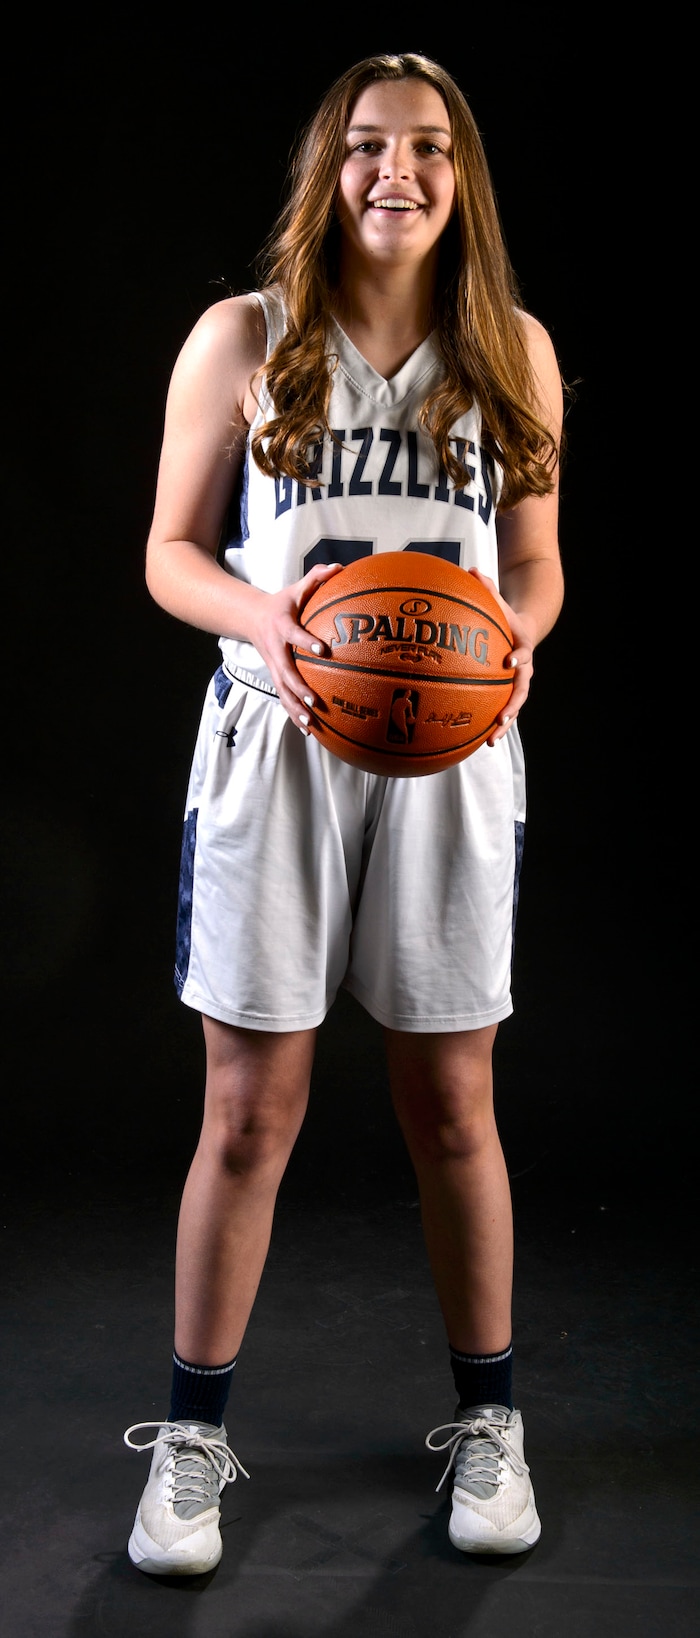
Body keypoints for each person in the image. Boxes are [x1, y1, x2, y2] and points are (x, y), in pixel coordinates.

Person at [123, 51, 564, 1575]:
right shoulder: (243, 338)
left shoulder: (511, 348)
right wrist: (270, 619)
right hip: (275, 746)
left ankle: (492, 1428)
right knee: (249, 1112)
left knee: (453, 1106)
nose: (401, 170)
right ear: (328, 168)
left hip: (452, 758)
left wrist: (515, 644)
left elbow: (538, 563)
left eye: (431, 148)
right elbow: (171, 555)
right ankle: (188, 1442)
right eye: (370, 144)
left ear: (464, 178)